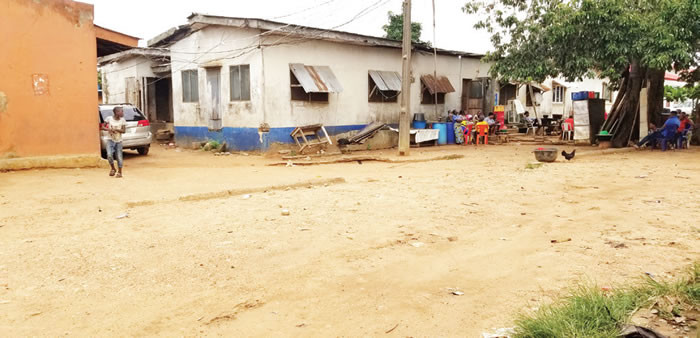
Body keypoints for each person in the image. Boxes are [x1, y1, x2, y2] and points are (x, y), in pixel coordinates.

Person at [101, 106, 126, 177]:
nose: (123, 113)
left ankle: (120, 172)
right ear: (117, 112)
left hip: (119, 141)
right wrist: (109, 130)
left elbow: (124, 131)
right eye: (121, 111)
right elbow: (102, 127)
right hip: (110, 140)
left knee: (119, 156)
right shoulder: (109, 118)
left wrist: (116, 130)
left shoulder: (122, 120)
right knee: (109, 155)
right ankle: (113, 168)